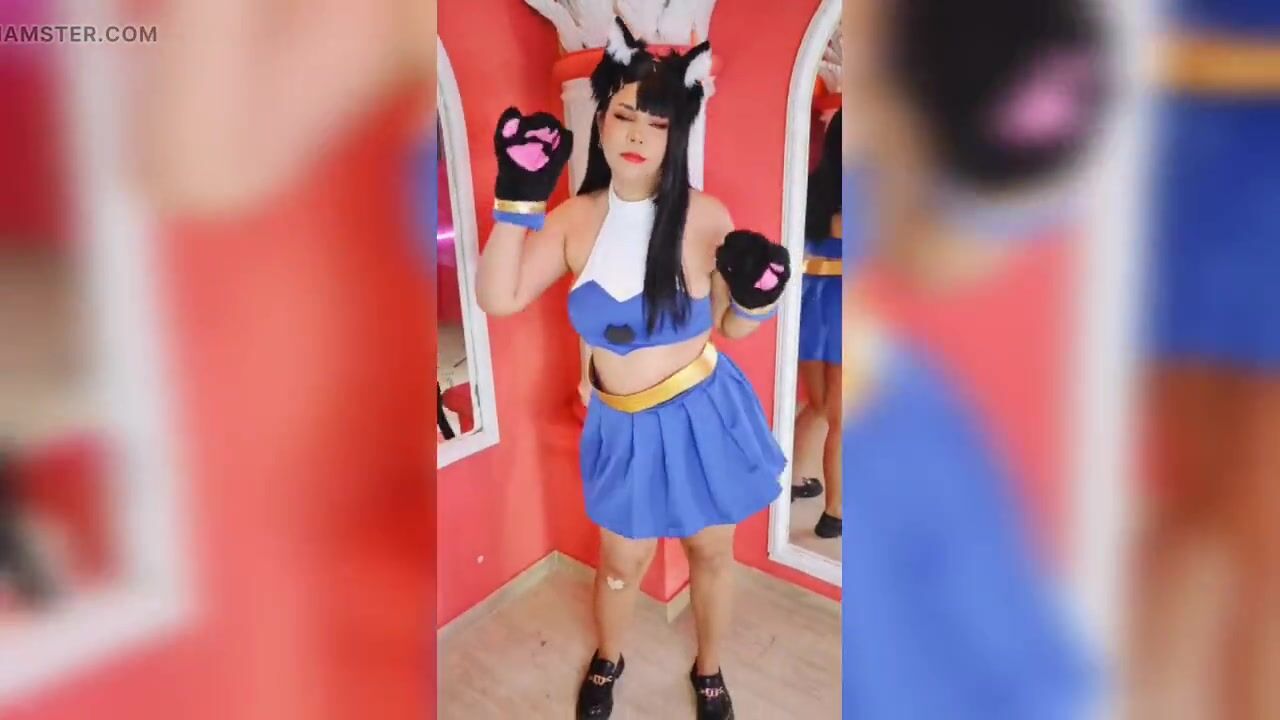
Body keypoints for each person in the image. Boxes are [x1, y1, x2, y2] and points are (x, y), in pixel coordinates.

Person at [476, 19, 790, 720]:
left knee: (711, 554)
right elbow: (499, 297)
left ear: (677, 135)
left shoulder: (705, 216)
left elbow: (731, 327)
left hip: (703, 414)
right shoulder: (573, 218)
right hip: (620, 426)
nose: (638, 133)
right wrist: (517, 196)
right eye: (624, 114)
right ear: (601, 120)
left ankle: (710, 668)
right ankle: (608, 656)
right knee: (622, 564)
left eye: (658, 121)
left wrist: (759, 298)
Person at [791, 110, 845, 538]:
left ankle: (792, 480)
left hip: (811, 307)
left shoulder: (811, 188)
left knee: (820, 406)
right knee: (843, 419)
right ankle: (836, 512)